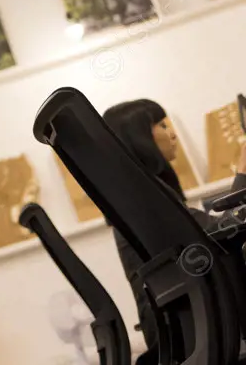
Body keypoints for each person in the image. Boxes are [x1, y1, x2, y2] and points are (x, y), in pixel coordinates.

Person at [103, 99, 246, 361]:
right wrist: (243, 172)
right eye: (161, 124)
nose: (172, 133)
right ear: (139, 137)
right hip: (194, 330)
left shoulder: (134, 197)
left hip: (182, 327)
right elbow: (221, 232)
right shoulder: (142, 198)